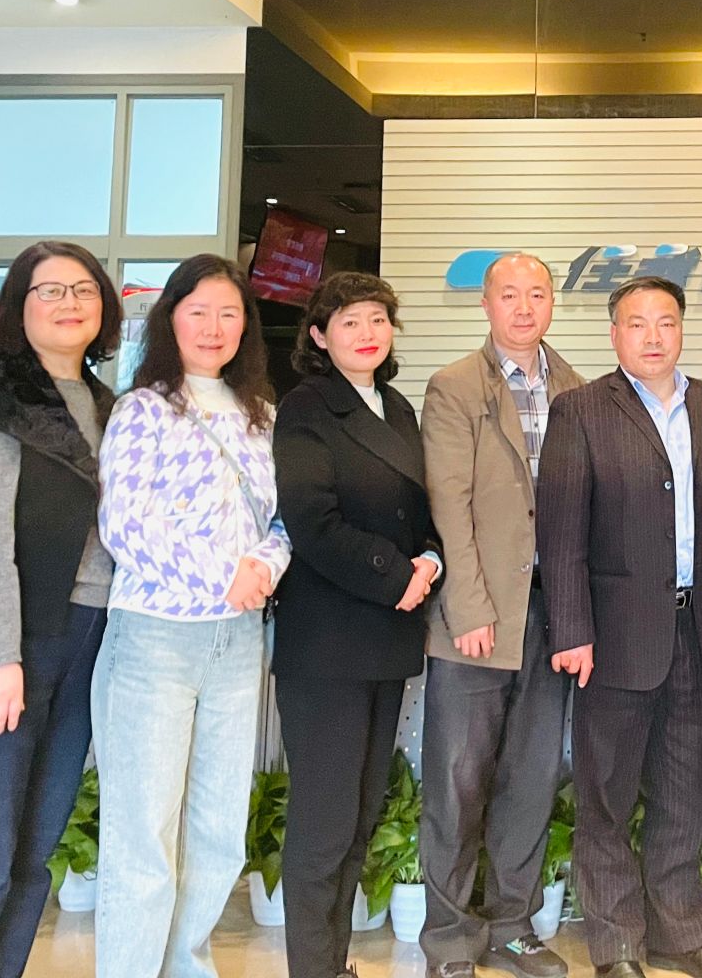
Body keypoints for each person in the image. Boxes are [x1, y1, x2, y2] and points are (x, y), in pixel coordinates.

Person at [537, 275, 702, 978]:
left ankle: (679, 936)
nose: (653, 337)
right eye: (636, 324)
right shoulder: (581, 410)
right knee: (606, 799)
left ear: (681, 329)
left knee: (686, 794)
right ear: (615, 334)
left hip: (699, 631)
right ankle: (616, 948)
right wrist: (571, 629)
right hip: (613, 637)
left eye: (666, 322)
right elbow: (562, 533)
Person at [0, 241, 121, 978]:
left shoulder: (112, 407)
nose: (70, 303)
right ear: (19, 307)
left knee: (36, 850)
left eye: (84, 290)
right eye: (50, 290)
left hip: (92, 635)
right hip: (16, 639)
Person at [91, 253, 287, 978]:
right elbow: (125, 523)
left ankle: (188, 966)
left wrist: (264, 567)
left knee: (218, 832)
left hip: (236, 641)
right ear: (170, 318)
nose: (213, 326)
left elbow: (282, 520)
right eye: (198, 310)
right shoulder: (143, 409)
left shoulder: (260, 415)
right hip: (155, 639)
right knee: (144, 837)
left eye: (229, 313)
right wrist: (223, 575)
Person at [419, 253, 586, 978]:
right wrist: (467, 604)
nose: (524, 307)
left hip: (552, 614)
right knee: (456, 784)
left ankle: (513, 927)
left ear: (552, 304)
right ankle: (450, 941)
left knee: (531, 778)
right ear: (485, 304)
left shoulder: (578, 388)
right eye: (509, 294)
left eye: (537, 294)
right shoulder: (455, 386)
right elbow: (448, 503)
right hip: (477, 616)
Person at [271, 271, 442, 978]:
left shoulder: (397, 408)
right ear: (319, 336)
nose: (367, 333)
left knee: (362, 815)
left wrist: (429, 558)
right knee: (324, 823)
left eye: (377, 319)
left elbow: (424, 512)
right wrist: (396, 574)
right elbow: (310, 521)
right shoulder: (306, 407)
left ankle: (333, 963)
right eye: (349, 322)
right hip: (328, 642)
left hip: (387, 640)